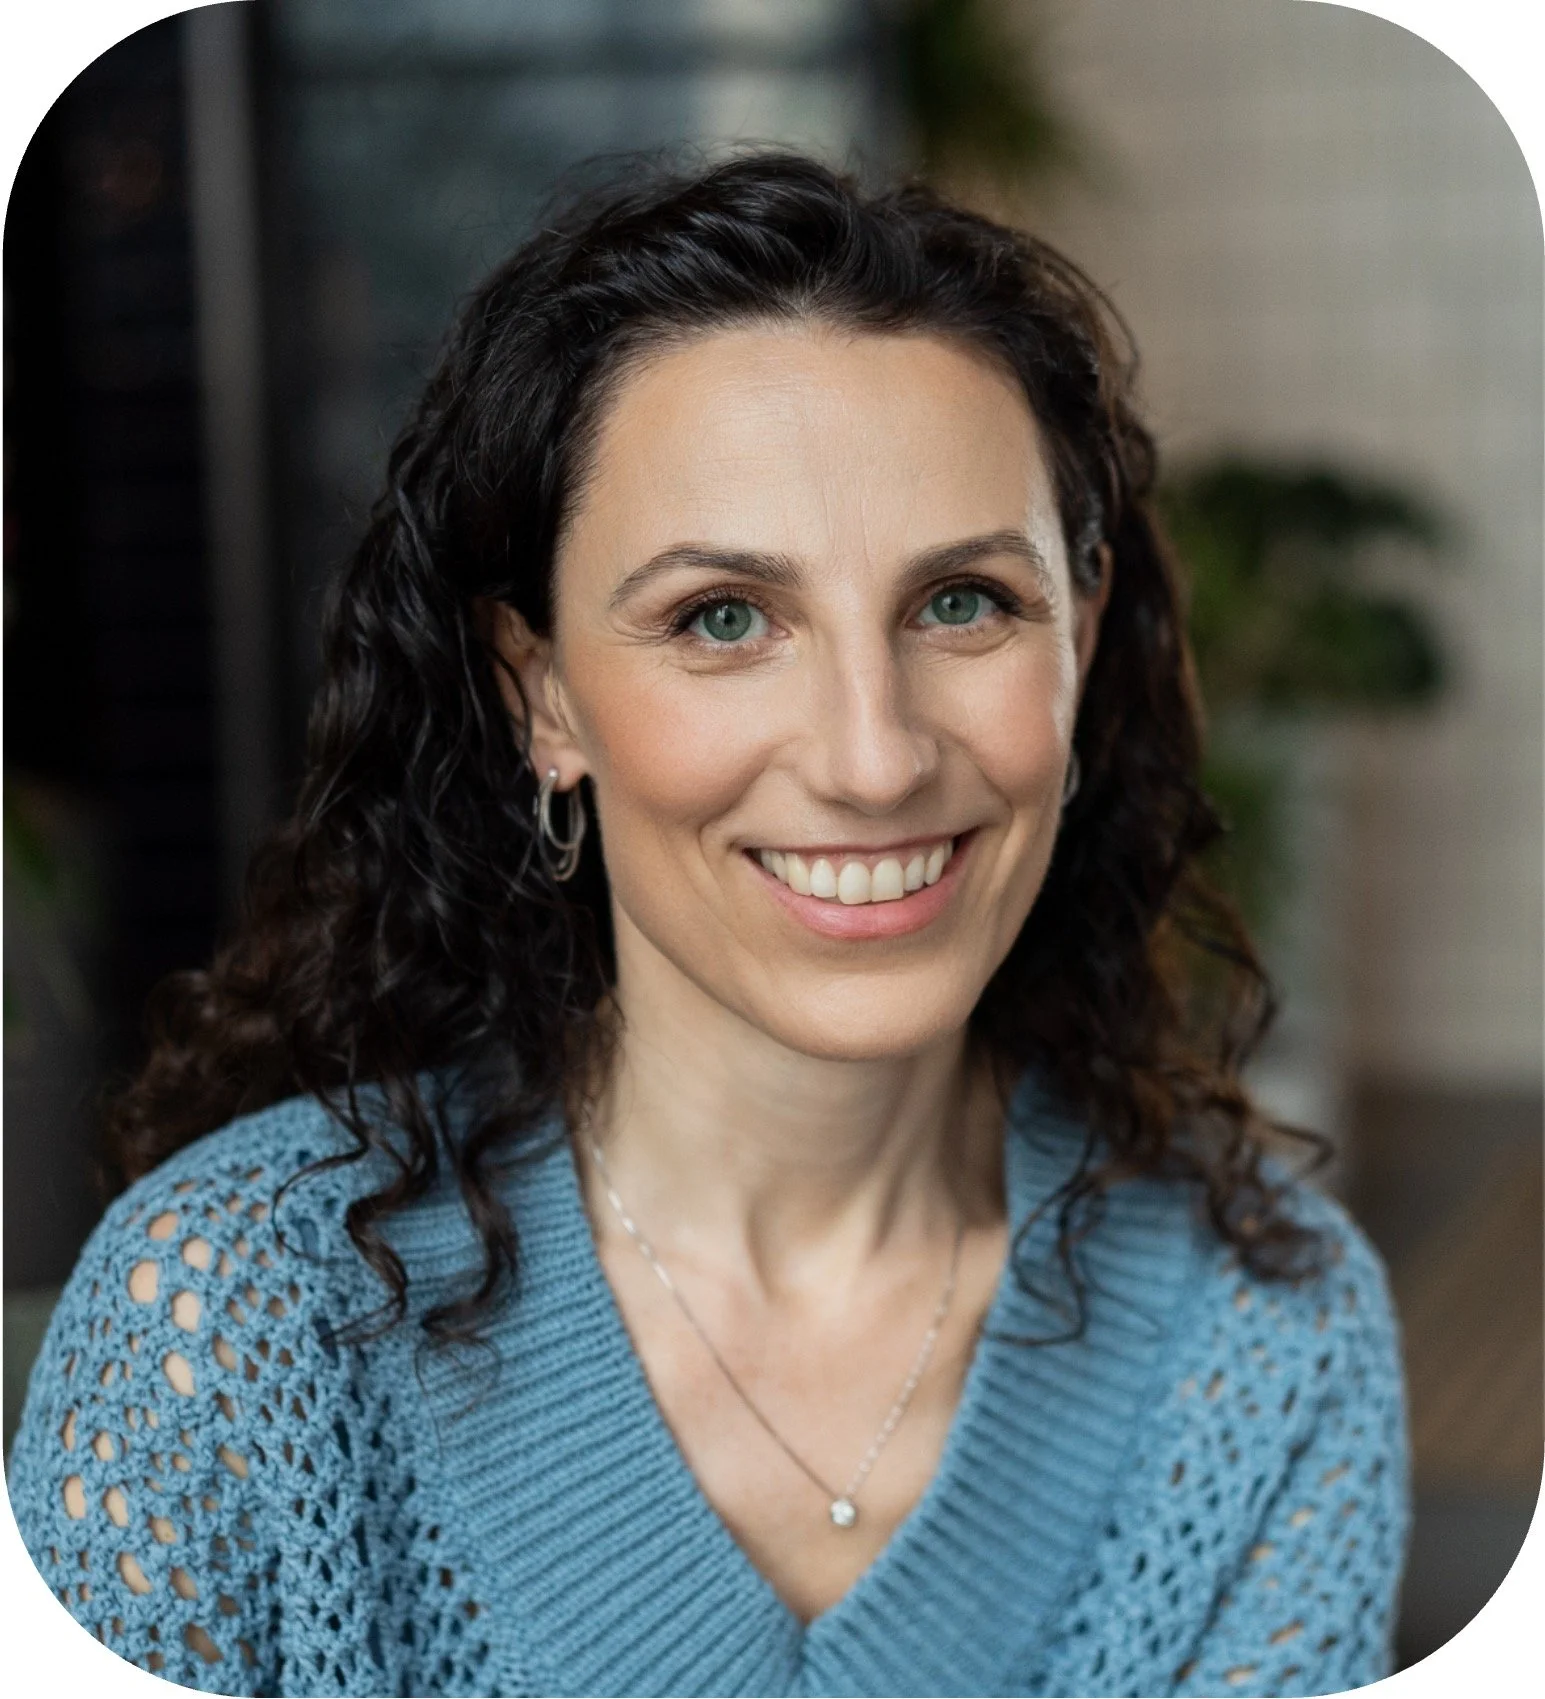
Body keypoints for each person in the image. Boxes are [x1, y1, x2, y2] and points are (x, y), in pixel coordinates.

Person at [8, 152, 1408, 1697]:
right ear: (540, 691)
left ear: (1078, 640)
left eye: (963, 603)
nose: (872, 757)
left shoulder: (1263, 1343)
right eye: (722, 619)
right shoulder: (227, 1328)